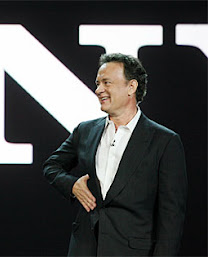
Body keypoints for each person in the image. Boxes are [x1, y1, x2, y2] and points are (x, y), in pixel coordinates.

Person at [43, 53, 187, 256]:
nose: (98, 90)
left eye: (106, 83)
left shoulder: (164, 141)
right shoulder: (85, 131)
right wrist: (72, 185)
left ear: (131, 87)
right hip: (84, 249)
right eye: (98, 83)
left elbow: (171, 217)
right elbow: (52, 166)